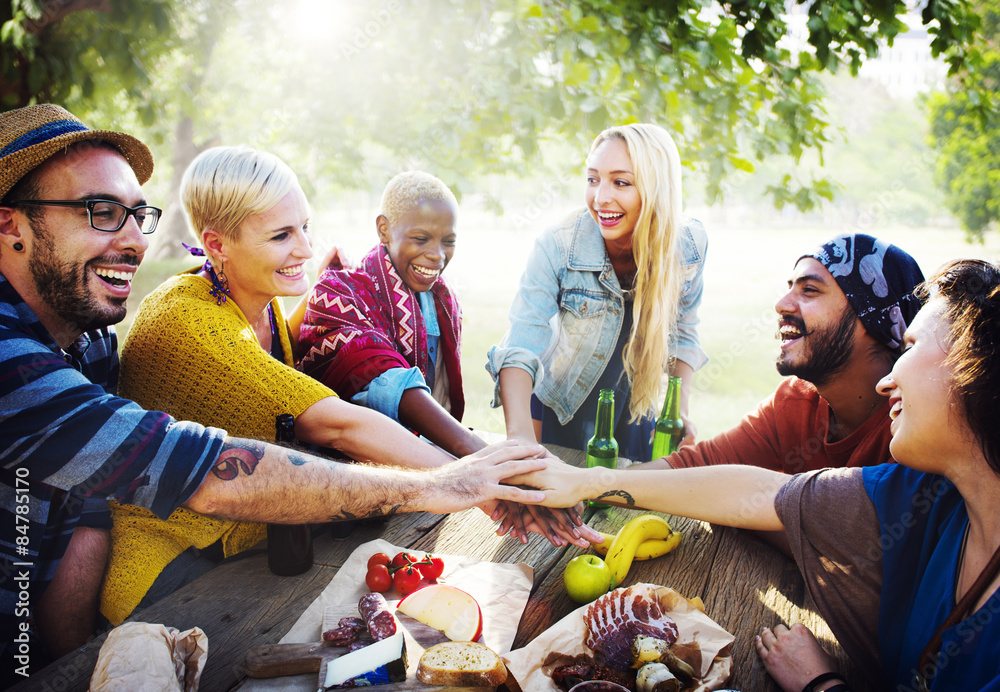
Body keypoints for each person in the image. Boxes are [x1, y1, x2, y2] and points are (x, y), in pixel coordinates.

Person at [0, 104, 551, 684]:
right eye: (101, 212)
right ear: (11, 224)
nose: (136, 239)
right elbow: (302, 434)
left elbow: (86, 503)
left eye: (139, 215)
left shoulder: (90, 341)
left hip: (182, 564)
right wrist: (456, 481)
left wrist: (63, 663)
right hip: (172, 566)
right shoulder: (167, 326)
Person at [98, 148, 592, 626]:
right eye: (281, 235)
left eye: (306, 227)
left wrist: (487, 478)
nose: (305, 249)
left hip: (254, 544)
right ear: (217, 244)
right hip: (173, 570)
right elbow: (336, 424)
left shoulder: (263, 304)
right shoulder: (188, 319)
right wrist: (479, 484)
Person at [514, 259, 1000, 691]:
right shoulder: (929, 495)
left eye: (911, 347)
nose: (888, 378)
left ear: (975, 369)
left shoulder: (914, 483)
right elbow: (759, 490)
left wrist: (822, 683)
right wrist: (588, 482)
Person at [487, 123, 708, 462]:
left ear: (657, 189)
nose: (601, 197)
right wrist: (520, 441)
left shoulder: (688, 246)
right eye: (593, 179)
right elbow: (520, 345)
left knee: (625, 504)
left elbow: (684, 334)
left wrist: (678, 410)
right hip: (563, 406)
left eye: (621, 182)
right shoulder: (558, 245)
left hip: (638, 410)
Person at [642, 233, 924, 474]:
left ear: (873, 318)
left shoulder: (916, 425)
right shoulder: (794, 402)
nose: (781, 304)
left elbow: (863, 532)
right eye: (789, 288)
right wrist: (601, 481)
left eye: (809, 290)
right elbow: (696, 467)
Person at [298, 170, 483, 459]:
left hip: (428, 457)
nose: (437, 254)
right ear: (383, 229)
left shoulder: (443, 300)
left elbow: (441, 394)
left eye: (448, 241)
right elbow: (382, 377)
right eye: (421, 238)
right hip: (347, 470)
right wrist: (476, 452)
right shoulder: (338, 292)